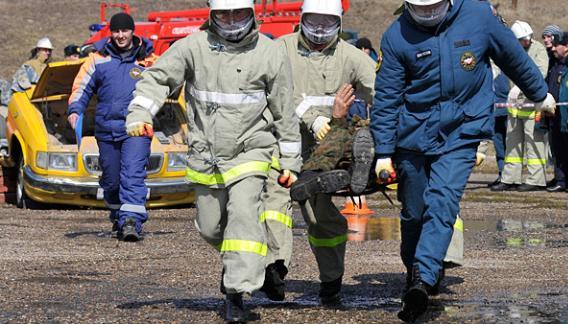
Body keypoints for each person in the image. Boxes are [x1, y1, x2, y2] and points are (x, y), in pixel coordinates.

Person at [371, 0, 554, 321]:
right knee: (414, 212)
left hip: (463, 129)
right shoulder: (396, 36)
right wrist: (384, 152)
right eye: (420, 9)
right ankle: (417, 267)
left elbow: (512, 56)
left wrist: (540, 93)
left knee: (443, 201)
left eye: (433, 8)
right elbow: (386, 97)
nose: (428, 14)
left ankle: (423, 279)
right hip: (413, 135)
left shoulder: (479, 16)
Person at [124, 0, 301, 321]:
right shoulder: (193, 46)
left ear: (252, 14)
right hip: (205, 154)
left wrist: (290, 161)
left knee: (244, 215)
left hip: (251, 150)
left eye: (239, 13)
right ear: (212, 15)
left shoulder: (269, 52)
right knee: (210, 226)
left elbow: (284, 112)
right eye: (224, 14)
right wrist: (139, 112)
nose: (232, 21)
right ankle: (248, 263)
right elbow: (157, 79)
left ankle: (234, 296)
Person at [278, 0, 376, 306]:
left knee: (320, 218)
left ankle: (331, 279)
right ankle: (273, 269)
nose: (320, 30)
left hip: (327, 149)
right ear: (302, 19)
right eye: (314, 21)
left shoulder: (350, 56)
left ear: (340, 24)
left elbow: (381, 90)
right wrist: (313, 116)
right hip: (283, 143)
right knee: (271, 208)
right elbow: (274, 90)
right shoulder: (280, 49)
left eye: (328, 23)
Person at [67, 12, 156, 242]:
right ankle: (119, 214)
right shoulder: (97, 59)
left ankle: (131, 220)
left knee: (133, 174)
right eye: (116, 31)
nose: (120, 35)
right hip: (106, 129)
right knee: (112, 179)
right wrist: (75, 111)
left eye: (124, 30)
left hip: (137, 128)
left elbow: (164, 85)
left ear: (132, 31)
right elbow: (81, 87)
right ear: (111, 33)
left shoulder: (148, 60)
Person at [492, 21, 550, 192]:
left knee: (534, 143)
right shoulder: (513, 49)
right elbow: (501, 65)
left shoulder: (538, 50)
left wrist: (520, 86)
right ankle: (510, 178)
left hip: (533, 105)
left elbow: (540, 72)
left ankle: (536, 180)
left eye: (524, 39)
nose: (522, 43)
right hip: (515, 107)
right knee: (512, 143)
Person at [551, 32, 568, 194]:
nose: (553, 48)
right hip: (560, 114)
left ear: (566, 47)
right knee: (562, 150)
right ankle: (564, 180)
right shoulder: (562, 64)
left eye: (556, 45)